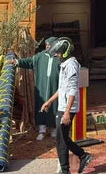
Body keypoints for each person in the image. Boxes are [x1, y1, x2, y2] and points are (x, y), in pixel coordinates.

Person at [41, 38, 93, 174]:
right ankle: (83, 155)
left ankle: (65, 170)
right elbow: (62, 88)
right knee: (62, 138)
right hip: (63, 106)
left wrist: (67, 112)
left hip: (68, 108)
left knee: (61, 140)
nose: (57, 55)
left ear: (65, 52)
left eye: (58, 53)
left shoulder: (71, 65)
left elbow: (72, 90)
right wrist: (50, 101)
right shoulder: (65, 64)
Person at [9, 36, 60, 140]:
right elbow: (29, 62)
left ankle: (54, 129)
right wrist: (17, 62)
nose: (47, 46)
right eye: (46, 45)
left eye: (49, 45)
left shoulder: (59, 58)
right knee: (40, 107)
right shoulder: (40, 57)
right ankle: (42, 130)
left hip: (55, 87)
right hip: (41, 87)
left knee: (54, 106)